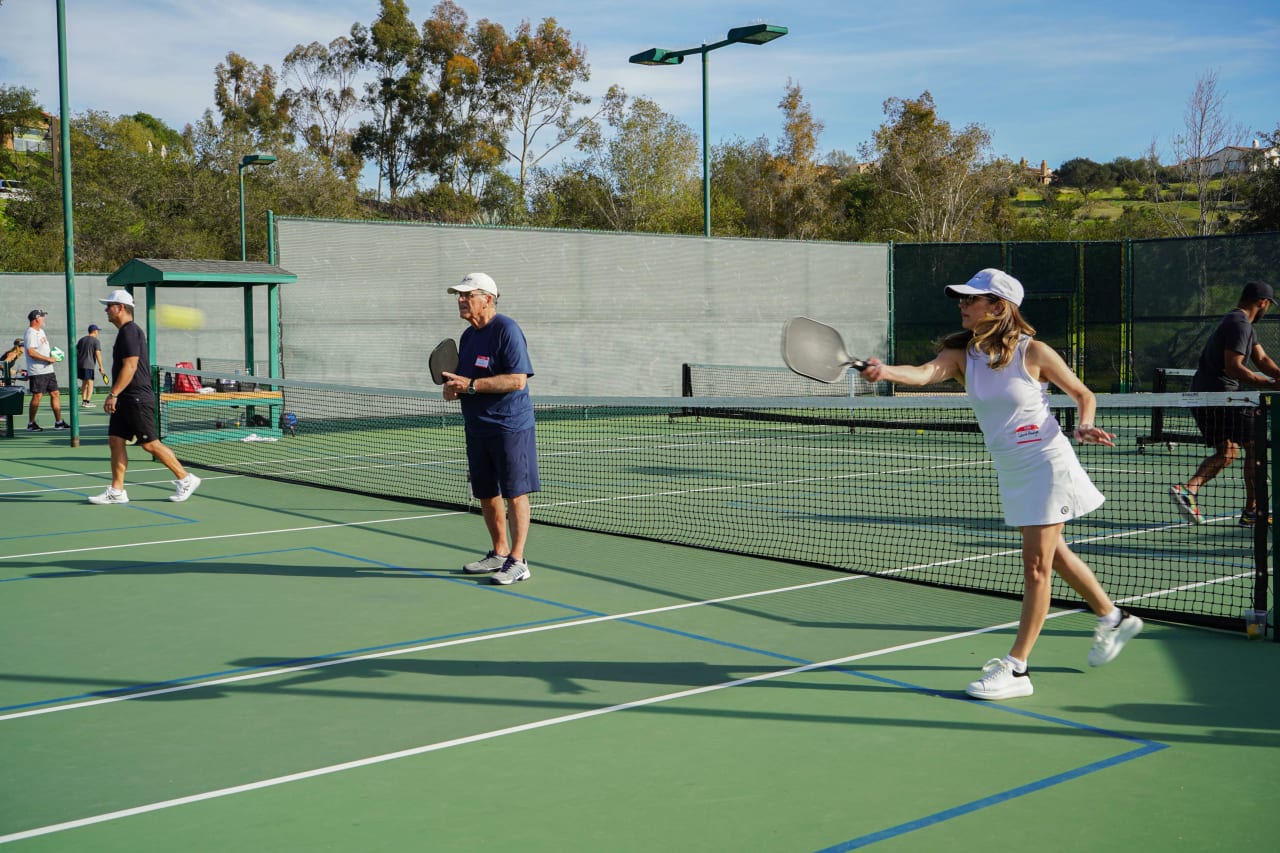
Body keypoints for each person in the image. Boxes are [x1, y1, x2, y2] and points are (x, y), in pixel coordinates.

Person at [861, 268, 1143, 700]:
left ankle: (1016, 669)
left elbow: (1084, 394)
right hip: (1011, 468)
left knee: (1036, 566)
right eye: (962, 299)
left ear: (999, 307)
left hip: (1047, 462)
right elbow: (922, 373)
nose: (962, 305)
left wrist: (1085, 426)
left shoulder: (1035, 352)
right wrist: (885, 373)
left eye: (971, 299)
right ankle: (1112, 616)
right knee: (1055, 554)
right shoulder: (962, 355)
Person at [440, 272, 538, 585]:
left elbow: (517, 379)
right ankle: (499, 552)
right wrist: (454, 388)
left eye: (467, 295)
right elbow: (465, 381)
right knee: (485, 493)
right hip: (477, 428)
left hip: (510, 427)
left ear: (488, 299)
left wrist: (472, 385)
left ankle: (518, 559)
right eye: (459, 295)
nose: (461, 300)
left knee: (515, 493)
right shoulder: (468, 337)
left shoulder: (506, 330)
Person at [1170, 279, 1279, 526]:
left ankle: (1189, 489)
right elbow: (1234, 367)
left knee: (1228, 451)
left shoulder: (1239, 323)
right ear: (1263, 303)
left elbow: (1262, 359)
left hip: (1205, 396)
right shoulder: (1240, 325)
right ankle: (1254, 511)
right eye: (1268, 305)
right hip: (1224, 397)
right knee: (1255, 448)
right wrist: (1270, 385)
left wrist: (1279, 376)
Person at [89, 289, 201, 505]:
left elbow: (130, 366)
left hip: (137, 398)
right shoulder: (124, 332)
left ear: (121, 308)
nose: (106, 309)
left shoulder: (130, 331)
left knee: (149, 444)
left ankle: (186, 478)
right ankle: (117, 490)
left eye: (109, 305)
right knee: (116, 441)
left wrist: (113, 394)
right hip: (125, 399)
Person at [23, 308, 70, 432]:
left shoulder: (41, 331)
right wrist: (47, 358)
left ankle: (59, 422)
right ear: (36, 319)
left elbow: (43, 348)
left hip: (48, 370)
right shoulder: (31, 333)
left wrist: (55, 355)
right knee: (37, 396)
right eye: (42, 316)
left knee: (55, 393)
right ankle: (31, 423)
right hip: (38, 370)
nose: (44, 319)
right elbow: (31, 352)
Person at [75, 323, 109, 407]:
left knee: (84, 382)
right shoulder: (96, 341)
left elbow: (76, 352)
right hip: (89, 365)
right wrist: (101, 366)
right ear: (94, 331)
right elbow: (98, 354)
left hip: (80, 365)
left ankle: (84, 401)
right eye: (97, 331)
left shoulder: (81, 340)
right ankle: (87, 402)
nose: (98, 332)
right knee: (90, 382)